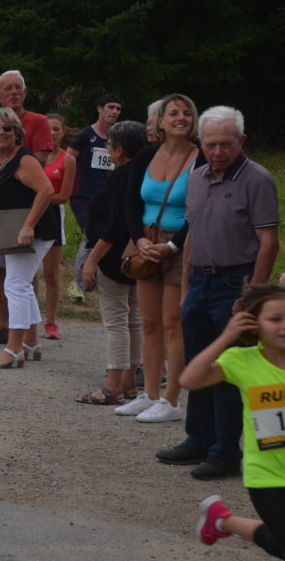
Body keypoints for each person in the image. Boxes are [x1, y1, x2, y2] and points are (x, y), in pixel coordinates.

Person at [157, 106, 280, 479]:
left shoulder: (257, 179)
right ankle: (199, 439)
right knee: (199, 361)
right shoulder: (196, 178)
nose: (218, 152)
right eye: (210, 145)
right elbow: (193, 234)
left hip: (235, 281)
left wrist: (253, 295)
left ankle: (225, 451)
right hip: (200, 281)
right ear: (201, 143)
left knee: (229, 368)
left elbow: (268, 241)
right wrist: (187, 285)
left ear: (241, 140)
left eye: (226, 144)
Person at [183, 285, 285, 559]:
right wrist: (226, 338)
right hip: (267, 476)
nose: (284, 326)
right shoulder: (243, 361)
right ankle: (220, 520)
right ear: (254, 323)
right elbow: (189, 380)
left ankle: (221, 520)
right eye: (275, 319)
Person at [125, 93, 202, 423]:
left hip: (181, 246)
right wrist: (140, 240)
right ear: (161, 121)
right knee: (149, 322)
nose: (180, 117)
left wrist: (172, 246)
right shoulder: (146, 155)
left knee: (173, 324)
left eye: (187, 112)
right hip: (147, 242)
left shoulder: (200, 157)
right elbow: (131, 202)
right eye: (173, 113)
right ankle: (149, 394)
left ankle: (171, 400)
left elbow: (199, 209)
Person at [0, 107, 59, 369]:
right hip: (12, 230)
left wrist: (28, 225)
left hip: (31, 231)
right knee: (20, 284)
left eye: (7, 128)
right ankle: (31, 343)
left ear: (17, 132)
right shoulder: (0, 159)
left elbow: (46, 190)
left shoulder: (24, 159)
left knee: (15, 285)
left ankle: (14, 350)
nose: (1, 132)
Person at [76, 120, 147, 405]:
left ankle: (112, 386)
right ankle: (129, 383)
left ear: (119, 149)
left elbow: (114, 224)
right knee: (133, 320)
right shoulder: (143, 173)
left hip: (113, 257)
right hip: (135, 256)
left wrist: (91, 260)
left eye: (110, 145)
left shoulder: (121, 177)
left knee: (117, 322)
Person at [67, 94, 123, 301]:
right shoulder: (84, 136)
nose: (114, 112)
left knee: (102, 235)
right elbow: (68, 160)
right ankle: (78, 282)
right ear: (100, 109)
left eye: (118, 109)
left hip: (106, 197)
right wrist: (66, 188)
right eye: (111, 107)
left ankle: (88, 279)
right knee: (91, 234)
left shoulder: (116, 139)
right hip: (82, 195)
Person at [40, 115, 76, 340]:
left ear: (63, 133)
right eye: (48, 129)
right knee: (26, 273)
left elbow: (63, 196)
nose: (52, 133)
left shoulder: (67, 159)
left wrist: (38, 199)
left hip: (52, 215)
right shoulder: (33, 156)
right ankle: (28, 318)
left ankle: (51, 321)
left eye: (56, 129)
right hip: (29, 215)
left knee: (51, 273)